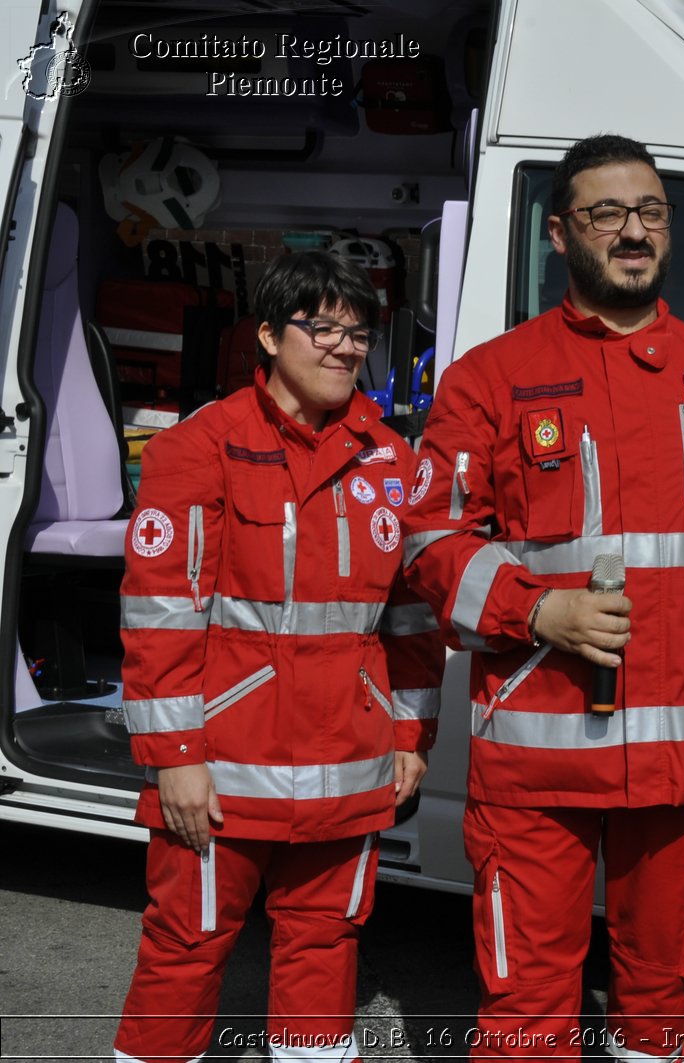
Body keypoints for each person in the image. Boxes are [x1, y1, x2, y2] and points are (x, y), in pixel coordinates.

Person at [401, 134, 684, 1061]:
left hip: (680, 760)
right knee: (527, 1016)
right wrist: (536, 610)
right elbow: (429, 538)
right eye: (607, 213)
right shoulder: (490, 377)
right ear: (561, 234)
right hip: (540, 755)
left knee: (661, 1013)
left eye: (650, 211)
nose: (633, 230)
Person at [113, 251, 443, 1063]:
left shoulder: (392, 464)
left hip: (348, 763)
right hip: (224, 769)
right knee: (185, 946)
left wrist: (409, 739)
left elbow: (410, 621)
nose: (342, 347)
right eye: (320, 326)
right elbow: (160, 618)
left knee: (326, 946)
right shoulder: (201, 448)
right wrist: (176, 759)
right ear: (266, 334)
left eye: (357, 332)